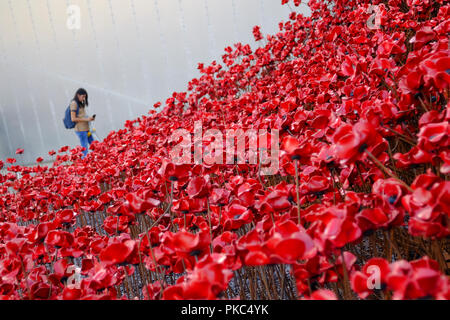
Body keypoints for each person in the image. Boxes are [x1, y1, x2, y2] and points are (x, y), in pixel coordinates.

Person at [70, 88, 95, 159]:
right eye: (83, 97)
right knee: (84, 149)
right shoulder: (74, 103)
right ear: (78, 95)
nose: (84, 98)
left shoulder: (80, 103)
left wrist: (89, 118)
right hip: (80, 130)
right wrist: (86, 119)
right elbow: (73, 118)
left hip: (86, 128)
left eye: (85, 97)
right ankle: (84, 164)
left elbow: (81, 115)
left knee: (94, 145)